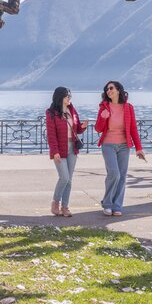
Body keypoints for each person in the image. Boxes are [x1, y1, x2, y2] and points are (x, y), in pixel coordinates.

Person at [94, 80, 145, 216]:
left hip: (124, 146)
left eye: (111, 88)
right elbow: (98, 128)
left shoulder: (128, 107)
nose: (108, 91)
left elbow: (133, 128)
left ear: (118, 90)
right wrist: (103, 118)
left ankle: (117, 206)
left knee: (122, 176)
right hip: (108, 145)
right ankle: (107, 203)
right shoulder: (104, 107)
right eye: (106, 89)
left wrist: (138, 148)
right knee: (114, 174)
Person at [45, 86, 87, 217]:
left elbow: (77, 129)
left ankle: (65, 207)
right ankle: (55, 202)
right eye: (67, 96)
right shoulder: (51, 113)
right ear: (60, 97)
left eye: (70, 96)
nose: (69, 98)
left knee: (69, 180)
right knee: (64, 177)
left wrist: (83, 127)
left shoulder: (72, 110)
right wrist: (55, 151)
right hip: (59, 148)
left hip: (72, 148)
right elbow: (51, 135)